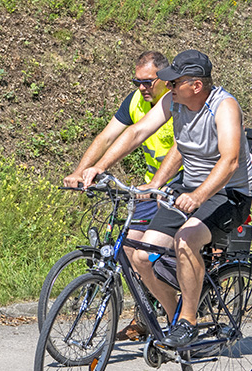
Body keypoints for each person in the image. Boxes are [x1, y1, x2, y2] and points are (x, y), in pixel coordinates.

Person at [72, 49, 252, 349]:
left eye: (175, 82)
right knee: (141, 256)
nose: (167, 87)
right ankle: (174, 323)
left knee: (185, 240)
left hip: (228, 194)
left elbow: (230, 161)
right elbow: (137, 132)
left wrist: (197, 195)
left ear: (196, 85)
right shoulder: (175, 102)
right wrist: (99, 166)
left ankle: (189, 321)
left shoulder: (224, 107)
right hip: (190, 188)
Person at [64, 50, 180, 341]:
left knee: (158, 251)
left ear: (165, 80)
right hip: (151, 189)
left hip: (180, 186)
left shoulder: (179, 103)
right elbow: (108, 136)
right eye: (136, 81)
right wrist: (83, 171)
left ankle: (178, 310)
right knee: (128, 248)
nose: (141, 87)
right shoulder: (136, 101)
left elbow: (180, 150)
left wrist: (156, 183)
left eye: (147, 82)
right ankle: (145, 314)